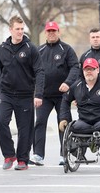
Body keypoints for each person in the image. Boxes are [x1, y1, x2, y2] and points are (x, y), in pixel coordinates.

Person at [0, 15, 44, 171]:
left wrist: (38, 94)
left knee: (25, 128)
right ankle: (9, 155)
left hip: (25, 95)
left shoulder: (31, 48)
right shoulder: (2, 49)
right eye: (17, 29)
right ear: (10, 30)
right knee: (0, 122)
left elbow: (40, 71)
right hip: (6, 93)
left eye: (22, 29)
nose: (20, 32)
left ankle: (23, 160)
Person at [31, 21, 79, 166]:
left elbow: (75, 67)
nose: (51, 33)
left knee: (64, 124)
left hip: (62, 95)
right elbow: (32, 71)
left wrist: (68, 83)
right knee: (39, 122)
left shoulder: (66, 49)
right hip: (44, 95)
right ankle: (38, 155)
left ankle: (64, 154)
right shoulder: (39, 51)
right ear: (45, 33)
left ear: (58, 32)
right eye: (49, 31)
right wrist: (35, 93)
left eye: (54, 31)